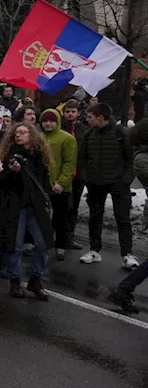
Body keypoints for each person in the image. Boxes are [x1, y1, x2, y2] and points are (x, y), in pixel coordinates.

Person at [76, 103, 138, 268]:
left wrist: (126, 180)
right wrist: (86, 179)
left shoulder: (121, 133)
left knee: (122, 218)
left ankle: (127, 254)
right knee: (95, 218)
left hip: (118, 183)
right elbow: (82, 159)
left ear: (100, 118)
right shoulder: (89, 135)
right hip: (95, 183)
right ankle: (94, 250)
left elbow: (132, 158)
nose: (87, 120)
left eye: (90, 117)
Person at [0, 122, 54, 300]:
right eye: (16, 133)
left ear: (32, 135)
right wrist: (13, 172)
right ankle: (15, 280)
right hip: (15, 206)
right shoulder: (9, 156)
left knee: (43, 243)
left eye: (23, 132)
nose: (18, 135)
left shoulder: (39, 156)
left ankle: (35, 279)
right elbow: (1, 182)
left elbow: (43, 182)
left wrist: (48, 198)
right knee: (16, 244)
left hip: (35, 206)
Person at [39, 108, 78, 259]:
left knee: (61, 217)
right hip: (42, 184)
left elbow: (70, 163)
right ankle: (40, 243)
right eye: (45, 121)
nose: (48, 124)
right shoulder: (38, 137)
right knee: (40, 216)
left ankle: (60, 245)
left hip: (60, 186)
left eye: (51, 121)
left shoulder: (67, 138)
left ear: (57, 122)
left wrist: (61, 182)